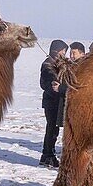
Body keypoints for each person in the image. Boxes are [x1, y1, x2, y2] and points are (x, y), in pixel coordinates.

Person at [39, 39, 68, 168]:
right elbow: (46, 84)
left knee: (53, 129)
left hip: (56, 101)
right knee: (52, 129)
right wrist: (56, 87)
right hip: (51, 102)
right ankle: (48, 155)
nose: (64, 54)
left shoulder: (55, 63)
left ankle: (48, 154)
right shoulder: (48, 65)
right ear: (57, 50)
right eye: (63, 51)